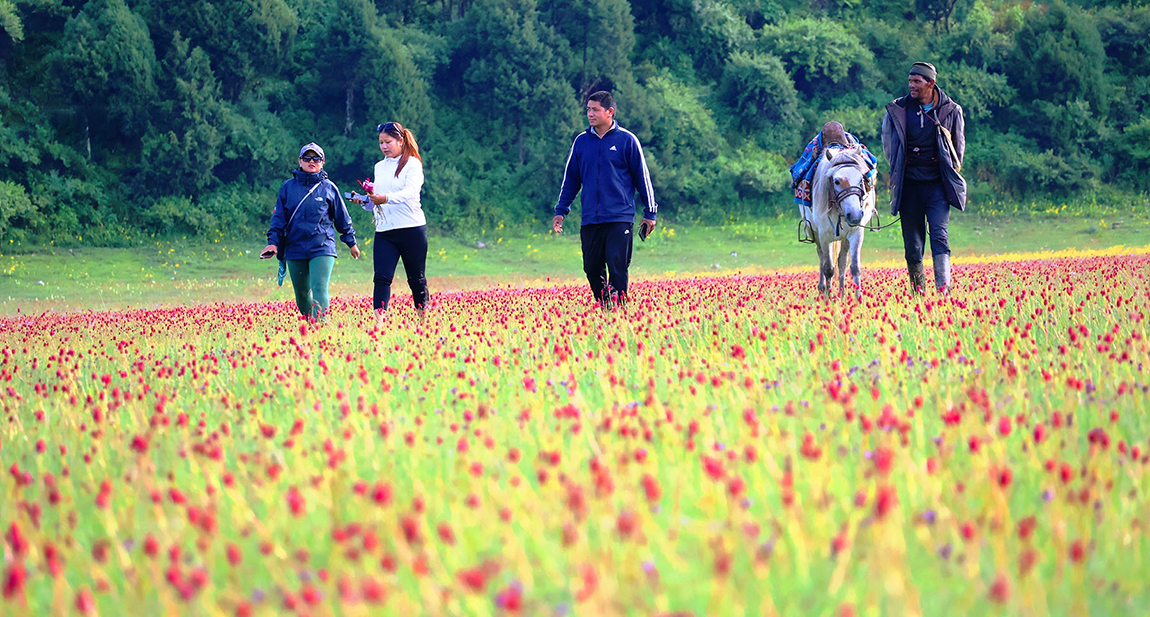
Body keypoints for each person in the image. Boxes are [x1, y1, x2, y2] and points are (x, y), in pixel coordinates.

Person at [552, 91, 657, 308]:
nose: (589, 114)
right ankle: (605, 306)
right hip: (591, 218)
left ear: (610, 112)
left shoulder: (627, 140)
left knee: (617, 267)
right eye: (588, 109)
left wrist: (650, 213)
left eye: (595, 109)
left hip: (620, 217)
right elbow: (571, 179)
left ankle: (617, 312)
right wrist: (561, 210)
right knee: (591, 268)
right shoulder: (581, 142)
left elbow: (642, 178)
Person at [881, 62, 966, 294]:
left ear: (930, 83)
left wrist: (948, 170)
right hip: (909, 187)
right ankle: (919, 292)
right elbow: (889, 147)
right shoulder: (896, 109)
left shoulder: (951, 110)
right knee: (913, 246)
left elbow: (958, 149)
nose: (911, 86)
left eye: (917, 82)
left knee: (940, 235)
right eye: (910, 81)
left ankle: (943, 291)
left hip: (937, 186)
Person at [261, 142, 360, 322]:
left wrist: (351, 242)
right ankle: (311, 323)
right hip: (295, 246)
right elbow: (278, 220)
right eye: (307, 158)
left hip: (322, 245)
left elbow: (342, 218)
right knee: (301, 293)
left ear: (323, 162)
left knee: (319, 287)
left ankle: (320, 328)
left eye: (316, 158)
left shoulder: (329, 187)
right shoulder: (287, 187)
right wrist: (273, 243)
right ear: (300, 161)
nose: (311, 161)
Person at [349, 121, 428, 329]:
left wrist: (384, 198)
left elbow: (410, 193)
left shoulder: (412, 164)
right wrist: (365, 201)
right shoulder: (379, 167)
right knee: (381, 278)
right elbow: (377, 201)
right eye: (381, 143)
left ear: (400, 141)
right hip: (385, 231)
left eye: (388, 142)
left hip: (411, 228)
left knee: (416, 279)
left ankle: (423, 323)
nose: (384, 146)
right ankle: (379, 325)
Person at [791, 121, 877, 242]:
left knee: (865, 167)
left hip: (846, 152)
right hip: (827, 153)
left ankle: (868, 199)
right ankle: (811, 209)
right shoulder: (816, 145)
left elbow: (799, 167)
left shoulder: (853, 144)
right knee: (809, 171)